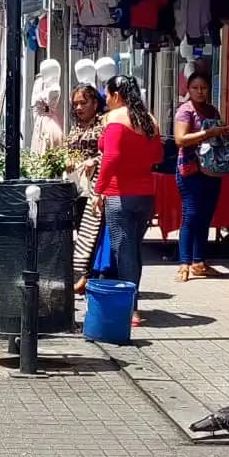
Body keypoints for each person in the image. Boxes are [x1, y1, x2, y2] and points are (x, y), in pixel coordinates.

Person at [98, 74, 163, 325]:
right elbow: (157, 154)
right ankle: (131, 302)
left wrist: (99, 190)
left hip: (119, 194)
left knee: (123, 251)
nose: (106, 100)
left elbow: (111, 158)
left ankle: (130, 308)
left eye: (107, 95)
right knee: (134, 250)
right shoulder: (149, 120)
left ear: (116, 95)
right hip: (145, 194)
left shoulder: (115, 118)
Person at [173, 71, 229, 282]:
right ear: (188, 90)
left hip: (212, 169)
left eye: (204, 88)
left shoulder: (211, 110)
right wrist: (208, 133)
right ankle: (184, 263)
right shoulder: (185, 111)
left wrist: (222, 133)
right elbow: (180, 139)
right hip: (190, 170)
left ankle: (199, 261)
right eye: (195, 88)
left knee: (206, 216)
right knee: (190, 215)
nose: (200, 92)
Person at [65, 84, 105, 294]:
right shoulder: (76, 127)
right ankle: (82, 275)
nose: (79, 107)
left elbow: (111, 152)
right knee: (81, 230)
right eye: (76, 104)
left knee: (95, 231)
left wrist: (95, 160)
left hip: (98, 185)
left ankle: (90, 276)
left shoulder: (104, 123)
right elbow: (68, 149)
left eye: (83, 102)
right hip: (78, 188)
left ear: (95, 103)